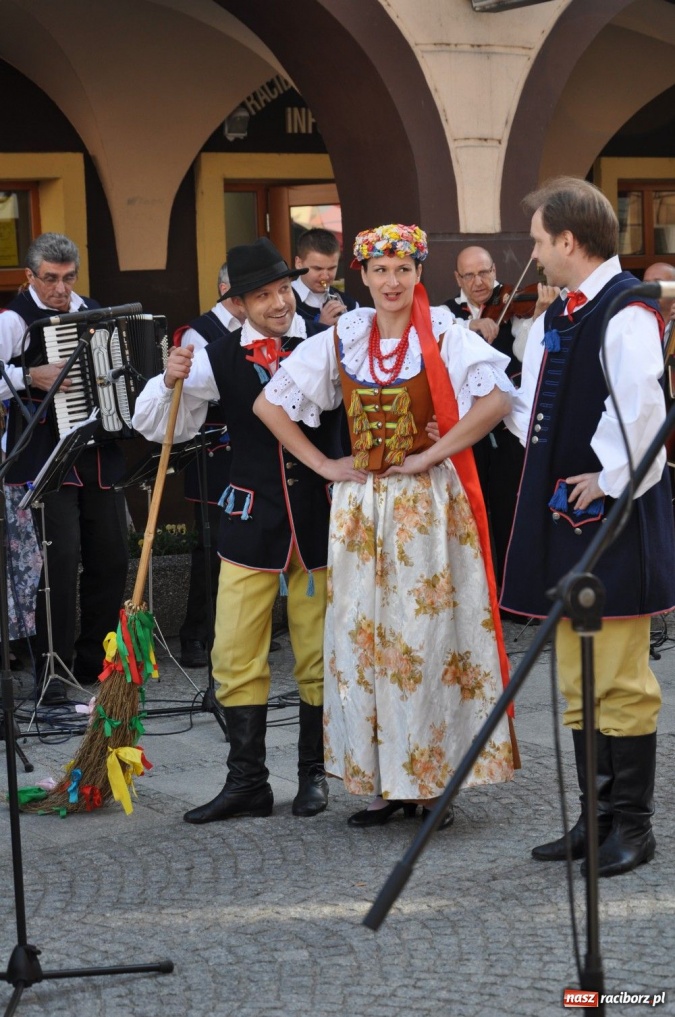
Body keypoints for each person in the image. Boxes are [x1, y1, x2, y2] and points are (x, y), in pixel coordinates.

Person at [254, 223, 517, 829]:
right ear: (363, 277)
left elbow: (497, 399)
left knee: (418, 643)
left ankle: (425, 784)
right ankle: (379, 784)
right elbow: (269, 403)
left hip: (424, 507)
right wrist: (323, 462)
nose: (391, 282)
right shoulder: (344, 337)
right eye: (379, 271)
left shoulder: (444, 334)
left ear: (418, 274)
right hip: (361, 510)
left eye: (402, 270)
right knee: (363, 642)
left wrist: (433, 453)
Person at [132, 237, 353, 821]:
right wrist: (167, 377)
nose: (280, 302)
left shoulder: (329, 343)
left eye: (284, 289)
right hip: (251, 519)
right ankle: (247, 783)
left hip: (317, 520)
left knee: (318, 650)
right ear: (239, 303)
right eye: (264, 295)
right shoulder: (217, 356)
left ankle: (314, 776)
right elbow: (162, 429)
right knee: (232, 655)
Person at [502, 177, 675, 877]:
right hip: (571, 519)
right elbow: (539, 412)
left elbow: (643, 416)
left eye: (540, 242)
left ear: (568, 241)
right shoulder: (563, 316)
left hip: (616, 517)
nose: (535, 254)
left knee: (620, 677)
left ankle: (631, 825)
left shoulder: (624, 312)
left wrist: (605, 477)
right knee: (576, 675)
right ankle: (594, 816)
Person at [0, 233, 129, 702]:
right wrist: (27, 375)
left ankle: (95, 665)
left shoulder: (92, 310)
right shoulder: (14, 321)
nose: (61, 289)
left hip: (96, 452)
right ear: (29, 277)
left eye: (68, 277)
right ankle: (53, 676)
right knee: (57, 564)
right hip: (43, 458)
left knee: (110, 559)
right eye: (50, 279)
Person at [446, 246, 557, 588]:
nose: (480, 282)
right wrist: (468, 327)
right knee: (470, 507)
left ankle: (516, 590)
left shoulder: (516, 304)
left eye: (486, 272)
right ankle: (480, 590)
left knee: (510, 504)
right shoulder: (448, 315)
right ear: (457, 278)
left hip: (510, 426)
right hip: (468, 426)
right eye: (470, 275)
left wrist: (539, 315)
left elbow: (526, 355)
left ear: (495, 269)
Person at [172, 263, 243, 669]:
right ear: (224, 289)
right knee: (211, 547)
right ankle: (195, 635)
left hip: (249, 449)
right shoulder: (200, 332)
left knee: (246, 543)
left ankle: (235, 631)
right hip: (212, 454)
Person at [292, 228, 357, 329]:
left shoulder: (350, 304)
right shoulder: (283, 302)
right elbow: (284, 343)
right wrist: (321, 326)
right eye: (317, 268)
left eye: (331, 268)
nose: (325, 276)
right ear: (299, 264)